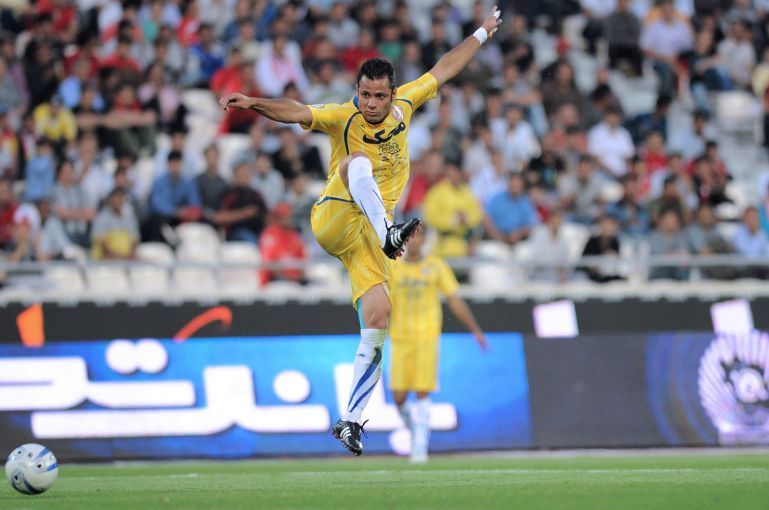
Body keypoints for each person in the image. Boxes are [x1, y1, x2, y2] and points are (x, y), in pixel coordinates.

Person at [220, 5, 503, 457]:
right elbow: (296, 111)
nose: (371, 103)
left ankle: (350, 419)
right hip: (335, 217)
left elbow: (445, 68)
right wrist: (255, 102)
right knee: (356, 161)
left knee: (377, 319)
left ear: (392, 94)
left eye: (379, 96)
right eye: (365, 94)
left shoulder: (406, 104)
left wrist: (482, 34)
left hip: (367, 240)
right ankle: (390, 232)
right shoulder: (342, 116)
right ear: (357, 91)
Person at [389, 227, 486, 463]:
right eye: (409, 237)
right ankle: (415, 430)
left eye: (417, 236)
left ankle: (420, 447)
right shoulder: (393, 266)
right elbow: (382, 300)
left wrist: (475, 329)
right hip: (400, 337)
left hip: (427, 336)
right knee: (399, 397)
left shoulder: (436, 266)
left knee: (422, 391)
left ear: (424, 239)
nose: (413, 241)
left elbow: (454, 299)